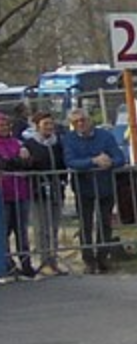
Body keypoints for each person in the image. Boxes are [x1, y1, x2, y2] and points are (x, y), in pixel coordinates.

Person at [60, 105, 128, 272]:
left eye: (83, 120)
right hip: (84, 188)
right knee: (86, 225)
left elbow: (120, 157)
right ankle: (89, 260)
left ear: (90, 120)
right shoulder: (69, 139)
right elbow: (70, 161)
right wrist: (93, 161)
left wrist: (110, 162)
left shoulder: (104, 136)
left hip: (105, 186)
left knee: (105, 223)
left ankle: (103, 258)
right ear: (72, 124)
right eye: (76, 122)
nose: (80, 124)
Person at [20, 111, 68, 276]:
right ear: (37, 126)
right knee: (42, 227)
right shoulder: (30, 145)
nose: (49, 127)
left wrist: (63, 179)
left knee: (53, 227)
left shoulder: (57, 143)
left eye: (51, 124)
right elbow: (26, 166)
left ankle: (53, 259)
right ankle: (44, 261)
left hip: (56, 189)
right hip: (38, 190)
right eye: (45, 124)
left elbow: (63, 163)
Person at [0, 121, 32, 279]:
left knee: (22, 230)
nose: (4, 129)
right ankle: (7, 264)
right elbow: (4, 164)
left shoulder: (17, 143)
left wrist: (17, 162)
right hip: (4, 193)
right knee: (4, 231)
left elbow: (28, 163)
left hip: (21, 192)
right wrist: (16, 161)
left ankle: (26, 263)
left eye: (6, 126)